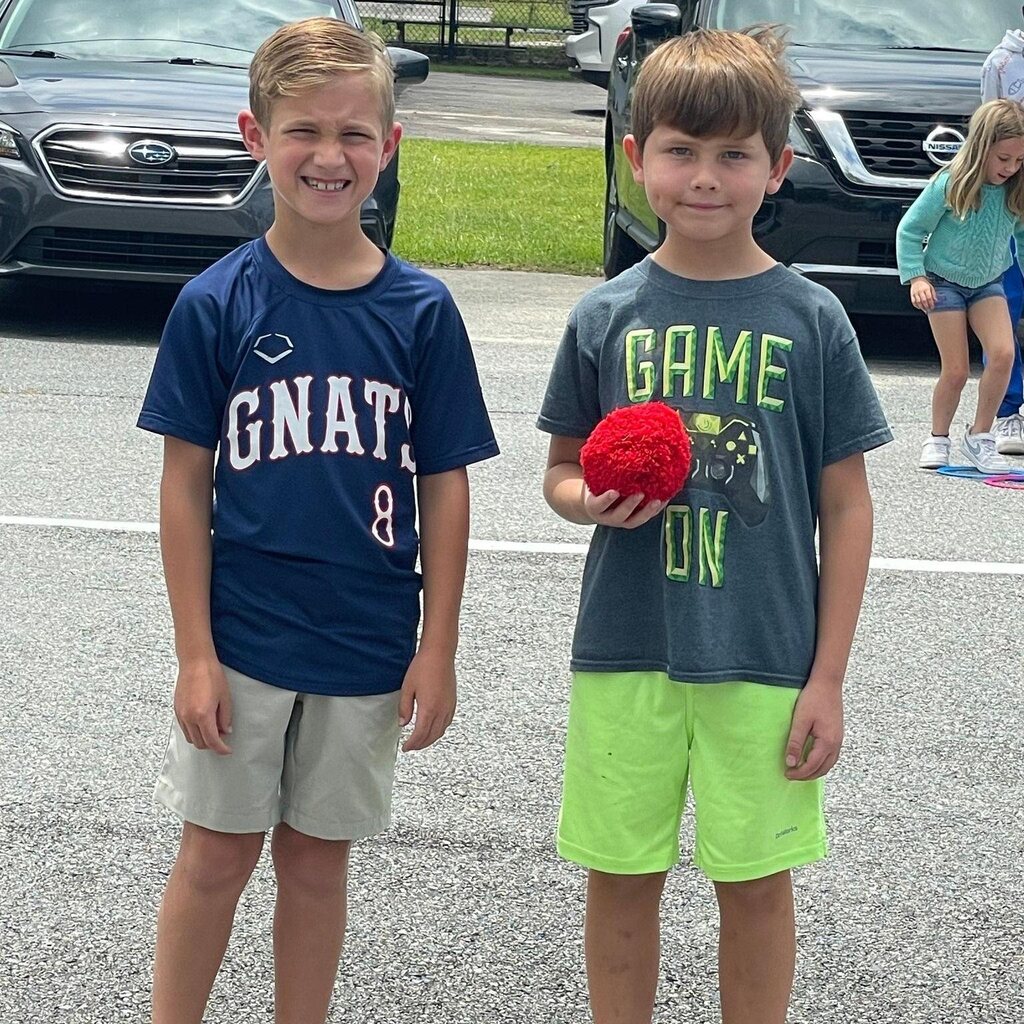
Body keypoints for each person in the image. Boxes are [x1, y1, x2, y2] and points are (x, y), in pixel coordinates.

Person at [137, 18, 498, 1024]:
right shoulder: (217, 304)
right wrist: (193, 653)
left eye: (353, 133)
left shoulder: (421, 312)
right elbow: (182, 483)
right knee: (214, 853)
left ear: (389, 143)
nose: (329, 156)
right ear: (256, 136)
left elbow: (445, 482)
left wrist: (440, 644)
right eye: (304, 131)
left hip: (366, 638)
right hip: (245, 632)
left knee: (315, 860)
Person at [537, 27, 891, 1024]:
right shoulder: (604, 315)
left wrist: (827, 675)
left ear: (776, 168)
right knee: (618, 877)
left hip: (765, 656)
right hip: (625, 646)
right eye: (680, 151)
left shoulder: (810, 319)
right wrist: (587, 502)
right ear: (634, 155)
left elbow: (846, 504)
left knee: (755, 885)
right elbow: (560, 474)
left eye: (733, 154)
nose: (704, 177)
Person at [897, 99, 1024, 474]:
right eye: (1003, 158)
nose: (1010, 168)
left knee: (1003, 355)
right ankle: (938, 438)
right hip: (942, 283)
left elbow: (1022, 234)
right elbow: (910, 229)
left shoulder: (1016, 191)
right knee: (955, 370)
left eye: (1019, 161)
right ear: (982, 147)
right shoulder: (949, 183)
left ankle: (980, 436)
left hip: (988, 283)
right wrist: (916, 276)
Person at [982, 23, 1024, 454]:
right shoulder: (1002, 62)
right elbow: (990, 129)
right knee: (1006, 303)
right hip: (1014, 196)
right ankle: (1007, 410)